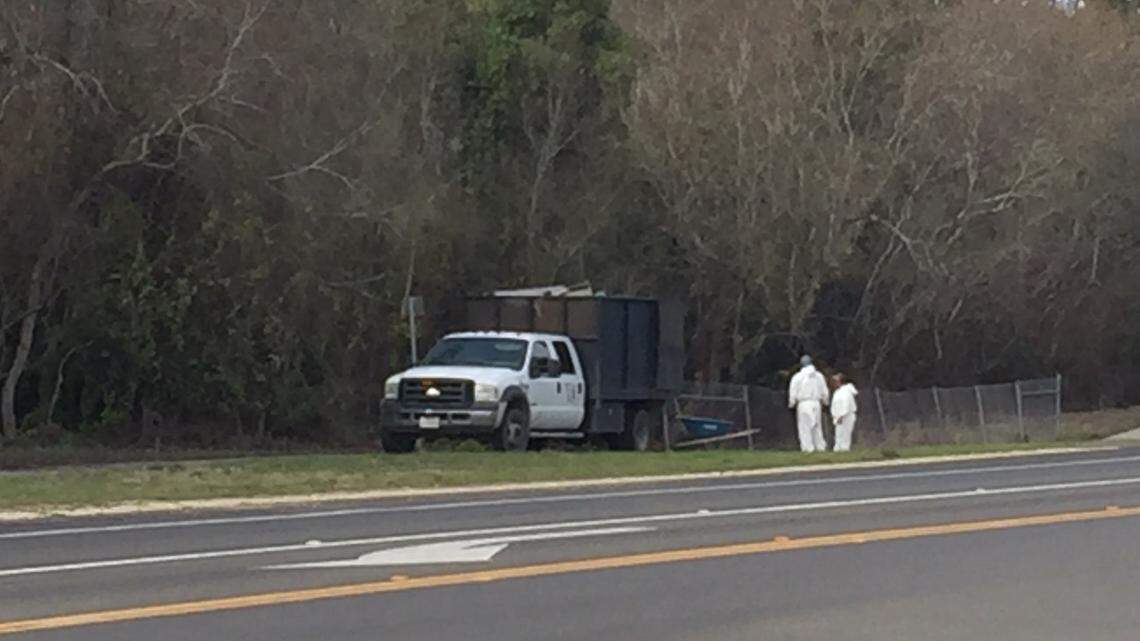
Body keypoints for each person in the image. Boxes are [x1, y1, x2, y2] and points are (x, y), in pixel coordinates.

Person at [788, 355, 829, 452]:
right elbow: (825, 391)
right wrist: (825, 402)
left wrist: (792, 403)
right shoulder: (819, 376)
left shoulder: (798, 377)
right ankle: (820, 447)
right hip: (816, 403)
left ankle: (807, 448)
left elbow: (793, 391)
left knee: (805, 427)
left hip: (804, 403)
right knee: (817, 426)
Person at [830, 373, 859, 452]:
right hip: (838, 417)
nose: (834, 383)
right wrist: (835, 415)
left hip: (847, 416)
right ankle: (838, 450)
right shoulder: (837, 392)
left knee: (845, 435)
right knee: (838, 435)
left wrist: (842, 415)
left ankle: (844, 450)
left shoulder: (847, 391)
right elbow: (834, 405)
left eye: (836, 381)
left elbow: (846, 404)